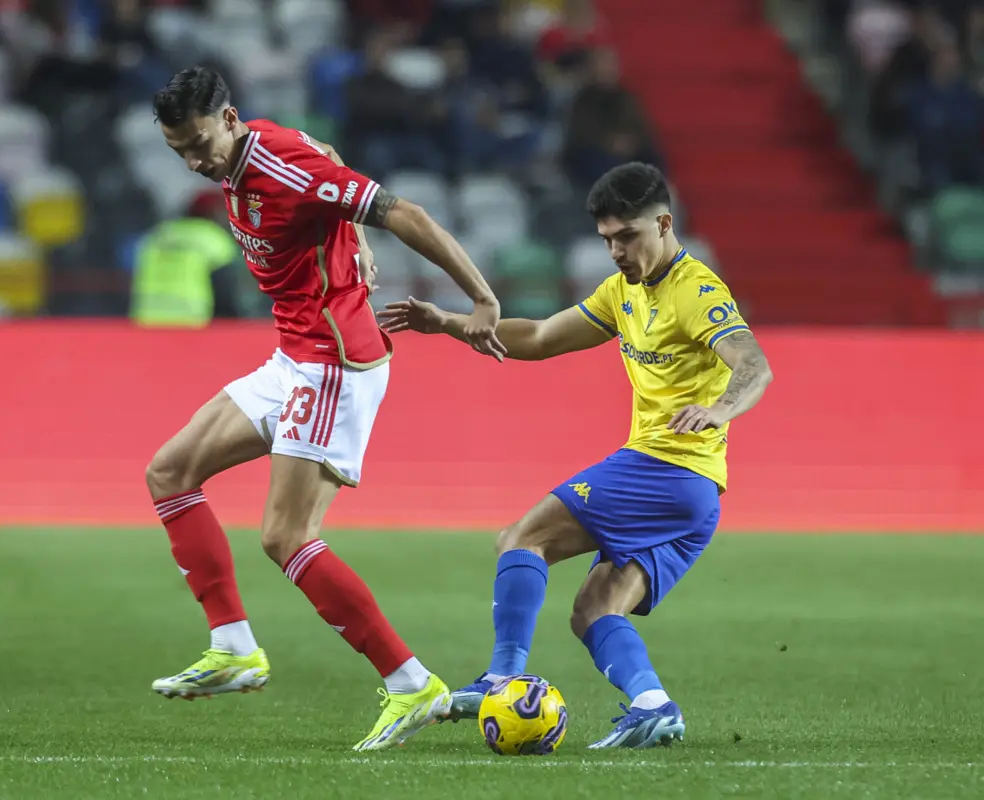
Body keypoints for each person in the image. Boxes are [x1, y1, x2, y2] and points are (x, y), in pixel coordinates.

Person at [145, 67, 506, 752]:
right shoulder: (250, 158)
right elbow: (338, 169)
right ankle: (234, 648)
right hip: (295, 354)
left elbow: (407, 212)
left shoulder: (281, 162)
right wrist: (355, 238)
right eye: (177, 151)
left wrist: (482, 300)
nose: (193, 162)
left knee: (285, 536)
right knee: (168, 472)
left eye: (197, 144)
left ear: (230, 119)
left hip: (334, 360)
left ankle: (411, 685)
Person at [377, 162, 774, 748]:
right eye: (607, 239)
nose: (615, 250)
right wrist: (450, 324)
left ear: (664, 223)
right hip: (696, 496)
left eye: (628, 236)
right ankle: (652, 704)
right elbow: (539, 338)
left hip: (667, 467)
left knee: (521, 538)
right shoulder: (623, 292)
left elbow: (753, 363)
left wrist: (720, 410)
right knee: (592, 612)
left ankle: (502, 675)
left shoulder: (696, 290)